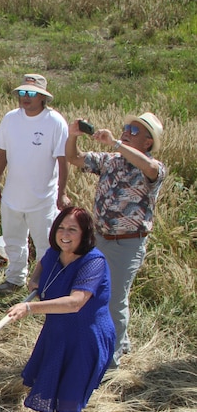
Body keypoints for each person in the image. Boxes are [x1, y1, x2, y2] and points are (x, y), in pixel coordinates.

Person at [7, 207, 115, 412]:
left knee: (70, 405)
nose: (64, 235)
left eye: (72, 230)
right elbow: (43, 265)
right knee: (64, 402)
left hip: (85, 339)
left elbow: (76, 301)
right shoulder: (55, 254)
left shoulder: (94, 262)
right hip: (57, 334)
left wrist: (30, 306)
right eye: (61, 228)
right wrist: (34, 281)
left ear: (85, 234)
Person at [65, 111, 165, 367]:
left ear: (148, 142)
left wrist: (116, 144)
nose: (126, 132)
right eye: (125, 128)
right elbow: (74, 158)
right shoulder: (110, 160)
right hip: (101, 239)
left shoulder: (153, 168)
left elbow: (150, 168)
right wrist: (73, 136)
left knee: (115, 299)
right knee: (98, 294)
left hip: (127, 243)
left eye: (134, 131)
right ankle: (121, 342)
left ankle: (112, 359)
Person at [0, 73, 70, 293]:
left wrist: (61, 193)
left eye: (32, 93)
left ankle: (46, 285)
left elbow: (63, 161)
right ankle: (15, 279)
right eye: (22, 92)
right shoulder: (10, 119)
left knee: (46, 244)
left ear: (42, 97)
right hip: (12, 196)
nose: (26, 97)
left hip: (43, 199)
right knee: (13, 241)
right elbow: (2, 153)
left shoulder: (55, 122)